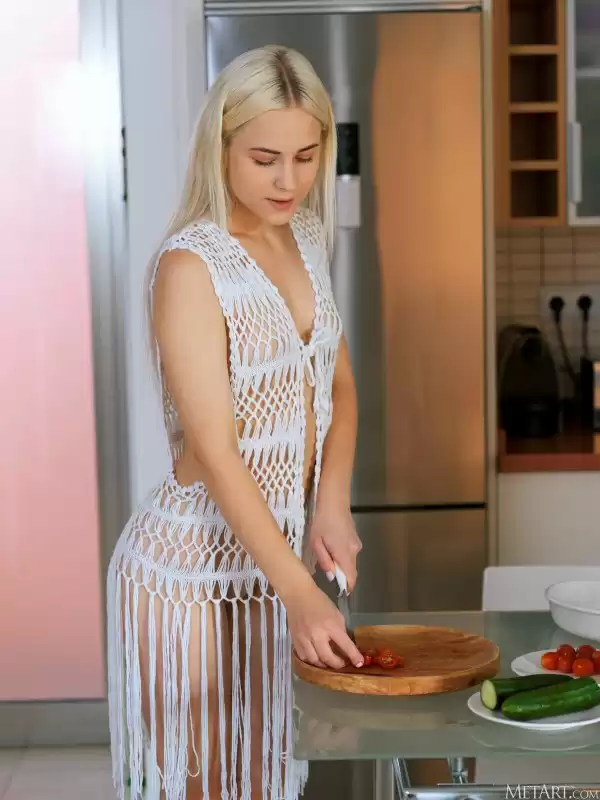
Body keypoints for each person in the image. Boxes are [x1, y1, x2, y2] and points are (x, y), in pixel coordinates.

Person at [106, 44, 363, 800]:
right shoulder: (191, 266)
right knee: (210, 785)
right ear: (220, 148)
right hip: (189, 569)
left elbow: (340, 385)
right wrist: (301, 591)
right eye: (264, 159)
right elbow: (216, 453)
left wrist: (332, 500)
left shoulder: (305, 236)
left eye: (306, 157)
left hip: (273, 559)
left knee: (267, 779)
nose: (288, 181)